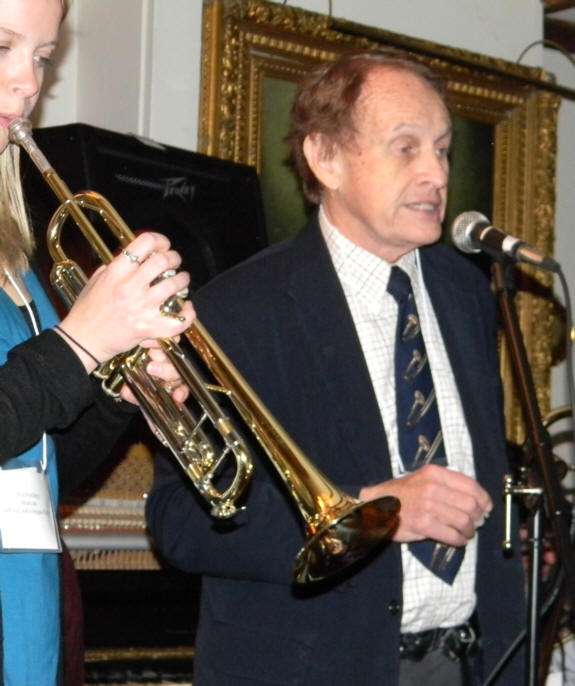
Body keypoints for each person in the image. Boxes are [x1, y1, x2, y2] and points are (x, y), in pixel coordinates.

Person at [146, 51, 526, 685]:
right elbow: (183, 524)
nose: (436, 172)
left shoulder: (467, 294)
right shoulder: (234, 311)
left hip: (473, 663)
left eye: (442, 148)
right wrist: (374, 513)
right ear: (326, 158)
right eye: (406, 148)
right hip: (315, 666)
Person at [0, 0, 195, 683]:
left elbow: (37, 468)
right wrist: (80, 344)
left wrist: (120, 385)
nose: (28, 82)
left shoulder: (14, 266)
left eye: (43, 58)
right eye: (3, 47)